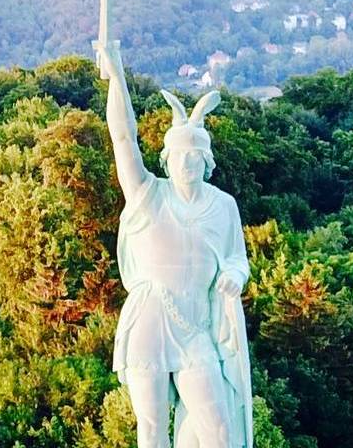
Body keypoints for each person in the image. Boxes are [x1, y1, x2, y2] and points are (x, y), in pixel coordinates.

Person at [97, 43, 253, 448]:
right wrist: (117, 80)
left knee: (219, 429)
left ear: (207, 160)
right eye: (179, 155)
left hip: (195, 326)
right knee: (150, 427)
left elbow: (237, 259)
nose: (187, 163)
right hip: (150, 320)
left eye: (194, 156)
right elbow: (122, 140)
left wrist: (235, 277)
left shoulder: (223, 207)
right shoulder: (149, 196)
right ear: (167, 159)